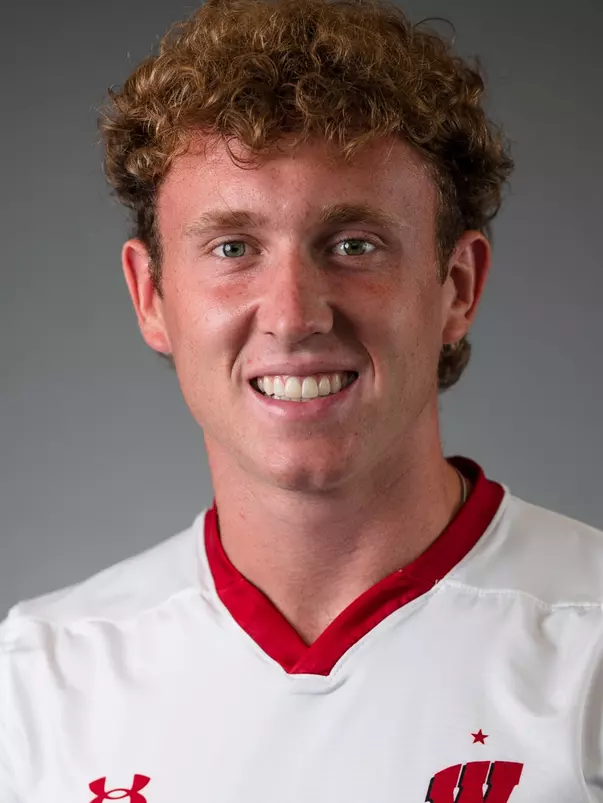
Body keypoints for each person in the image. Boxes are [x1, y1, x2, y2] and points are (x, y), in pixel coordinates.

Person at [1, 0, 602, 799]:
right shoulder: (37, 680)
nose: (292, 314)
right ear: (151, 296)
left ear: (455, 287)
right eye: (233, 248)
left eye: (354, 245)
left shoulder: (587, 644)